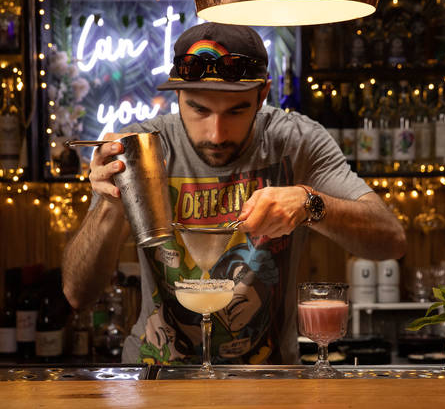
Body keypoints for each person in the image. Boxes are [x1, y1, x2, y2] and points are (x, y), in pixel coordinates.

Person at [62, 22, 406, 365]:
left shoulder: (296, 141)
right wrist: (109, 204)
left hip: (269, 382)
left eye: (236, 110)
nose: (216, 133)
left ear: (262, 94)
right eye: (199, 109)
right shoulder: (142, 147)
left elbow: (390, 241)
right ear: (177, 95)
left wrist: (309, 203)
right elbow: (78, 294)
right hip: (156, 378)